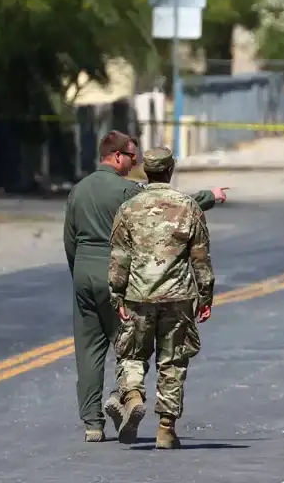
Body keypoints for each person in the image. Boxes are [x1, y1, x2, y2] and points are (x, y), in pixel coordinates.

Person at [62, 130, 226, 442]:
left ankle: (93, 424)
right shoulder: (127, 194)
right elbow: (168, 210)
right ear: (117, 156)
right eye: (131, 156)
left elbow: (69, 239)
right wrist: (209, 196)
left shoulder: (78, 191)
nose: (135, 162)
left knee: (88, 352)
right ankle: (126, 400)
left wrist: (78, 274)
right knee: (132, 349)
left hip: (84, 271)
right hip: (122, 275)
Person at [108, 146, 215, 449]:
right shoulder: (188, 206)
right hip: (178, 297)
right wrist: (205, 296)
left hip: (138, 295)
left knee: (131, 354)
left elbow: (119, 258)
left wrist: (117, 296)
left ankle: (132, 395)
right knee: (173, 361)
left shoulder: (128, 208)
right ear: (170, 170)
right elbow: (201, 258)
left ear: (146, 170)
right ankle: (166, 429)